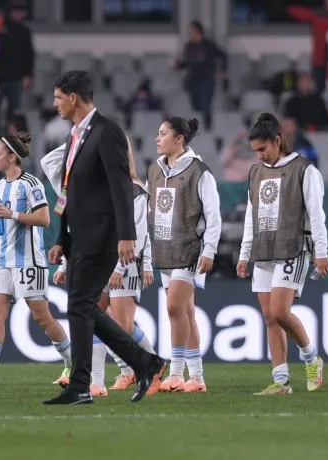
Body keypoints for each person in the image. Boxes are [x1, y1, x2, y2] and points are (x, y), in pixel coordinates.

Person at [43, 70, 166, 405]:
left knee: (80, 306)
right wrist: (60, 239)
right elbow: (68, 192)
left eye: (57, 97)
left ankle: (83, 384)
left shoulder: (107, 131)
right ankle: (144, 363)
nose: (54, 104)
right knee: (82, 307)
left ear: (73, 97)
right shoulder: (75, 136)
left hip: (103, 235)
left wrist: (126, 236)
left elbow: (122, 186)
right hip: (80, 235)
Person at [0, 132, 72, 387]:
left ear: (11, 157)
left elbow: (44, 219)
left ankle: (71, 363)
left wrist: (13, 213)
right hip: (2, 260)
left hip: (29, 261)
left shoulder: (32, 184)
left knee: (42, 317)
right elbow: (0, 229)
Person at [52, 137, 155, 397]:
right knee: (94, 315)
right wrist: (76, 143)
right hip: (99, 262)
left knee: (122, 326)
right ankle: (98, 382)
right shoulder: (99, 188)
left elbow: (140, 235)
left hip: (125, 265)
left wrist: (122, 269)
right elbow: (49, 163)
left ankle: (149, 365)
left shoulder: (135, 191)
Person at [236, 113, 328, 395]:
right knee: (268, 316)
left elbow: (316, 214)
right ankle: (281, 381)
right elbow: (251, 217)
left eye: (263, 149)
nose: (259, 156)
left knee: (280, 311)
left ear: (278, 141)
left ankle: (312, 358)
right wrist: (244, 253)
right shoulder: (255, 172)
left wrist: (321, 252)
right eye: (255, 151)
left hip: (292, 247)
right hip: (264, 249)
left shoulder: (304, 169)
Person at [148, 117, 222, 393]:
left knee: (173, 308)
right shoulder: (155, 171)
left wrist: (210, 250)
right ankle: (198, 379)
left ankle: (176, 372)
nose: (157, 138)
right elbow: (150, 213)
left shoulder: (199, 172)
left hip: (190, 249)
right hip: (164, 250)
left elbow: (213, 216)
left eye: (162, 133)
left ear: (179, 139)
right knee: (186, 312)